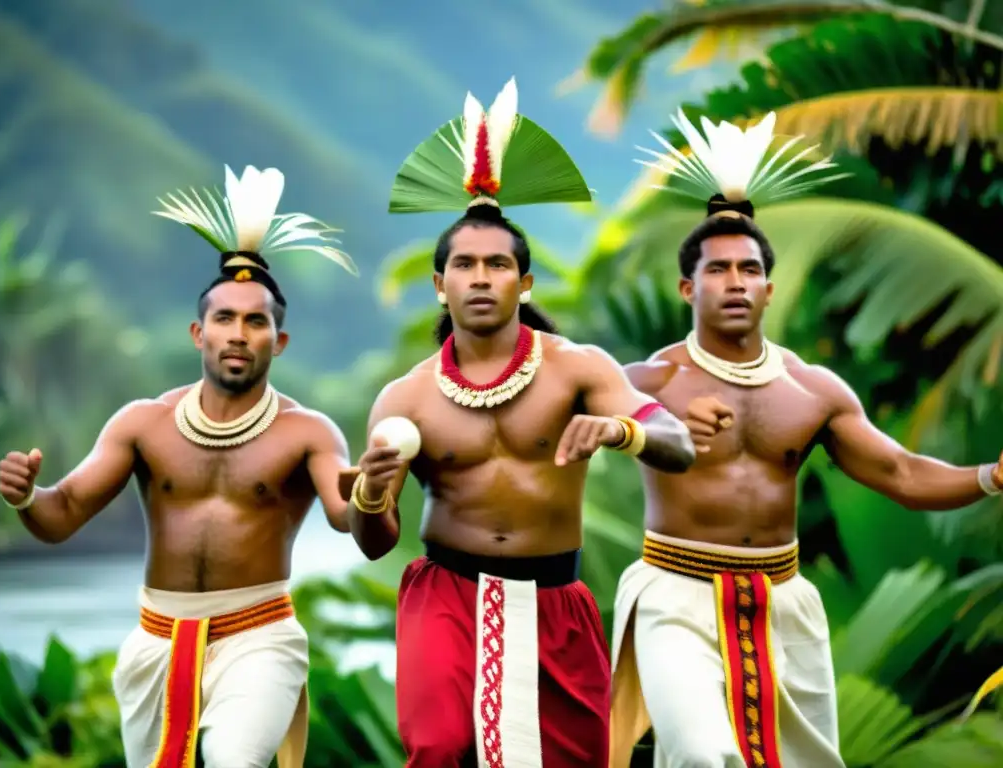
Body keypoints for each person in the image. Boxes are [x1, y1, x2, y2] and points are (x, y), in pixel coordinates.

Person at [607, 110, 1003, 767]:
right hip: (675, 593)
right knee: (703, 756)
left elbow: (902, 474)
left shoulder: (813, 389)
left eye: (747, 270)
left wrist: (989, 477)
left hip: (780, 601)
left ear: (769, 285)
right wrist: (641, 427)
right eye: (716, 270)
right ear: (687, 287)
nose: (734, 282)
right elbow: (567, 417)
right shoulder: (647, 380)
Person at [345, 78, 697, 768]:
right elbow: (371, 542)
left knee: (579, 759)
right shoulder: (405, 399)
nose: (481, 277)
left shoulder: (578, 370)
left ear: (523, 283)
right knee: (439, 746)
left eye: (498, 264)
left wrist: (622, 431)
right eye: (465, 265)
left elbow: (679, 446)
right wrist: (368, 492)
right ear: (440, 283)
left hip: (555, 598)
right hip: (445, 595)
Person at [0, 164, 359, 768]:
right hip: (158, 640)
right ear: (198, 332)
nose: (238, 333)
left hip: (259, 634)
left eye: (256, 321)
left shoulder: (308, 432)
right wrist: (26, 497)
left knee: (232, 761)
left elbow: (351, 520)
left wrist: (370, 494)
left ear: (279, 340)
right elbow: (61, 515)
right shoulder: (143, 423)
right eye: (225, 318)